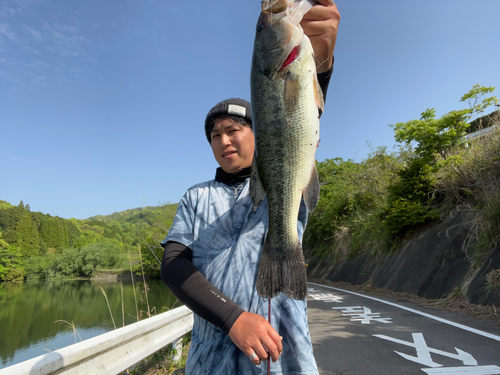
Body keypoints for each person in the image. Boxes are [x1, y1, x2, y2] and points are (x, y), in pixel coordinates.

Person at [160, 1, 340, 374]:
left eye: (234, 130)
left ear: (258, 133)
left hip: (287, 359)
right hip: (211, 362)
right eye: (215, 134)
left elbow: (299, 114)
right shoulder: (196, 198)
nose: (224, 140)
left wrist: (321, 66)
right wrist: (233, 319)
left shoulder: (285, 182)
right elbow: (174, 266)